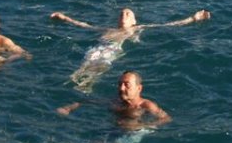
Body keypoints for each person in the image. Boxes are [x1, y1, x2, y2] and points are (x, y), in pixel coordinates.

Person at [50, 7, 211, 91]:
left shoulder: (136, 28)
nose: (123, 14)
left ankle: (87, 85)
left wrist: (193, 18)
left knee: (97, 69)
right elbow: (84, 25)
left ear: (134, 20)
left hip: (112, 51)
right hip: (97, 49)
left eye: (128, 13)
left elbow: (169, 25)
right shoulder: (107, 29)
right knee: (81, 69)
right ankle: (73, 81)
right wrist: (64, 18)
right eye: (121, 13)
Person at [57, 70, 170, 128]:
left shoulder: (147, 105)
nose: (121, 88)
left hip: (132, 134)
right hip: (112, 130)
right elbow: (87, 102)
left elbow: (166, 119)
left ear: (139, 88)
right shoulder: (116, 101)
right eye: (120, 84)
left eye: (127, 84)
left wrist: (142, 127)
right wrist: (68, 108)